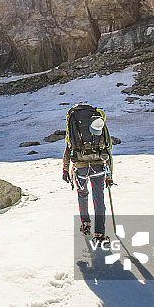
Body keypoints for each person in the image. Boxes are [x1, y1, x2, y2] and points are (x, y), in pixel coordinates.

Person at [62, 104, 114, 245]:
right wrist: (110, 175)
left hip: (80, 166)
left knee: (82, 194)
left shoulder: (73, 122)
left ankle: (85, 225)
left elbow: (69, 145)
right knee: (99, 198)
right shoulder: (98, 119)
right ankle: (100, 234)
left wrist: (65, 169)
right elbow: (107, 148)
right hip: (99, 164)